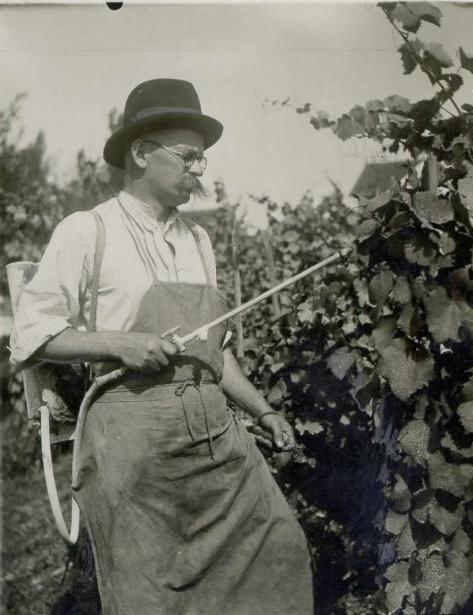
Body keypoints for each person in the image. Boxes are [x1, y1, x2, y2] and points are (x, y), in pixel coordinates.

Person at [10, 79, 313, 615]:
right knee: (153, 594)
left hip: (214, 434)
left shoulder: (197, 240)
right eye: (188, 156)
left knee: (279, 549)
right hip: (133, 445)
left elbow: (214, 350)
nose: (200, 170)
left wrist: (262, 411)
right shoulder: (88, 231)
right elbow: (31, 334)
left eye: (203, 159)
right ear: (141, 152)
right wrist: (119, 344)